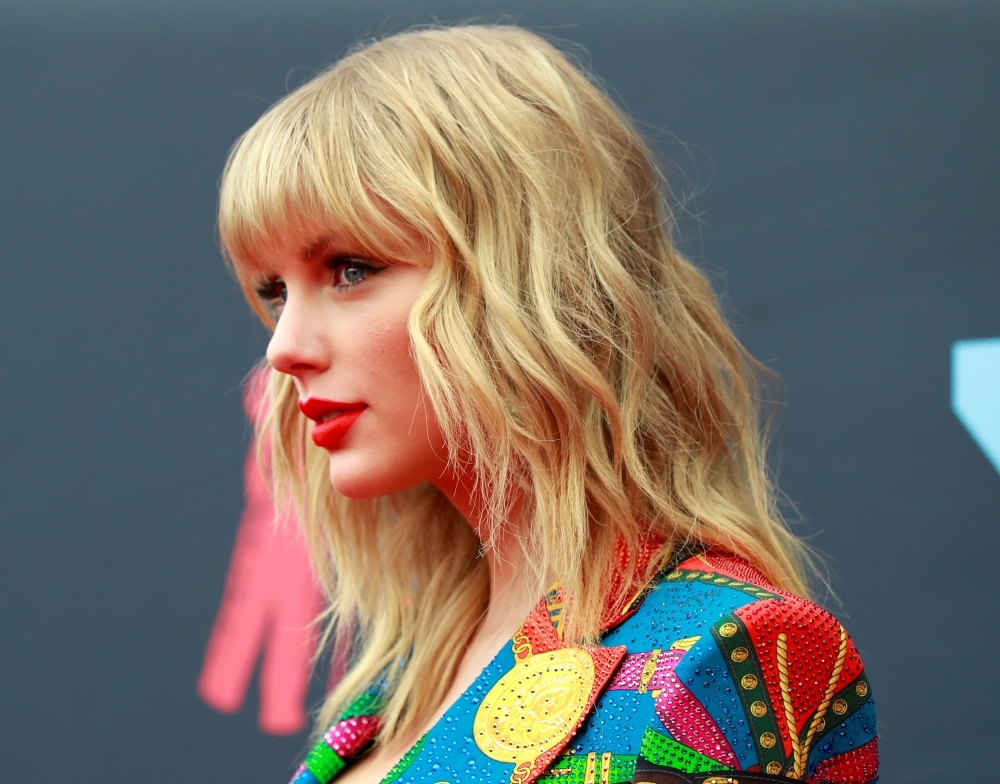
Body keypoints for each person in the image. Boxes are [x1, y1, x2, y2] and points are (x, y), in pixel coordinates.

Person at [216, 25, 878, 784]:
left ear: (531, 277)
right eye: (273, 291)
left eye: (351, 267)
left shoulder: (727, 653)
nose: (283, 345)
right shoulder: (393, 687)